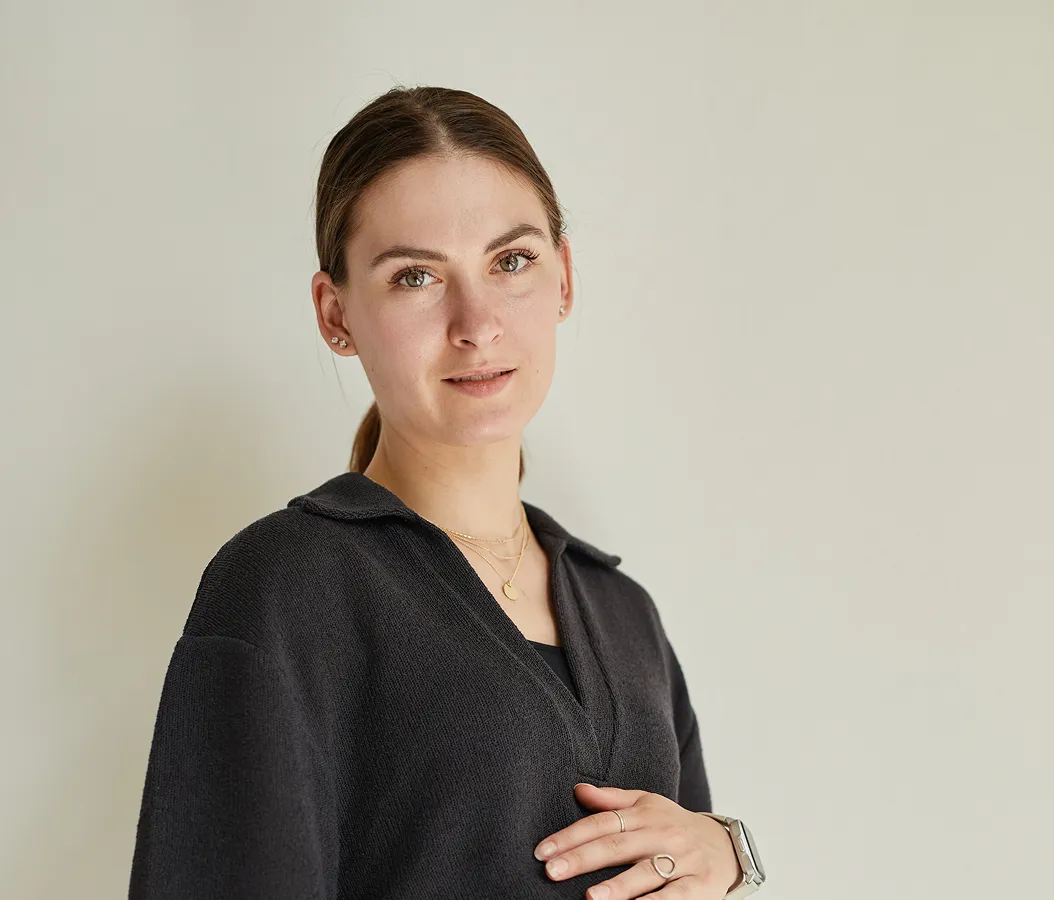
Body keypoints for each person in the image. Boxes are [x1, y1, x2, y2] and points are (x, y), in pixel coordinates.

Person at [128, 85, 755, 900]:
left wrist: (728, 853)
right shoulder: (286, 588)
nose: (477, 322)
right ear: (335, 314)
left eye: (512, 261)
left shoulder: (623, 612)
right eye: (417, 276)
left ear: (564, 276)